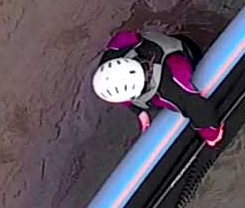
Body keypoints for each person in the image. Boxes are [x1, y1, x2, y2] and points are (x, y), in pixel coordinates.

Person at [91, 28, 224, 146]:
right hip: (168, 42)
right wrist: (139, 111)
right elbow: (125, 36)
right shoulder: (112, 58)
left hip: (187, 53)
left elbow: (200, 109)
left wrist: (212, 136)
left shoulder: (170, 88)